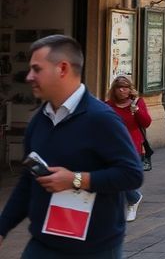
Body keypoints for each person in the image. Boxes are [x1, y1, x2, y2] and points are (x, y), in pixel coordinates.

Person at [0, 35, 142, 257]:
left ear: (62, 69)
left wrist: (76, 179)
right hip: (43, 245)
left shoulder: (101, 118)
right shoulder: (38, 120)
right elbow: (29, 180)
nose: (29, 77)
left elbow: (132, 175)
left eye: (37, 69)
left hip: (94, 249)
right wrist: (3, 227)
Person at [106, 75, 152, 221]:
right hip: (113, 146)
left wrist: (137, 110)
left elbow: (146, 123)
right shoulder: (108, 105)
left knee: (126, 177)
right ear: (114, 90)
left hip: (133, 146)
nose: (121, 90)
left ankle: (133, 200)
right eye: (118, 87)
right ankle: (133, 198)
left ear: (129, 89)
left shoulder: (137, 103)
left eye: (125, 87)